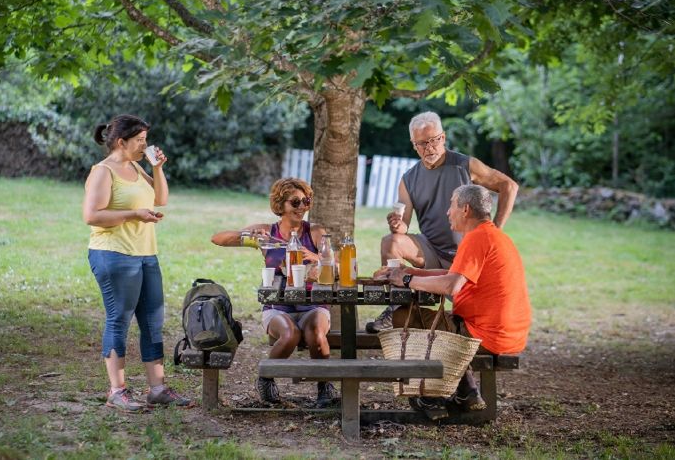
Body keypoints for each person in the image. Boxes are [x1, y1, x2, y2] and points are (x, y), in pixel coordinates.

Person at [375, 184, 531, 416]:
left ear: (465, 209)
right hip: (508, 334)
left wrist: (407, 281)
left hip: (486, 336)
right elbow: (451, 275)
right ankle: (465, 391)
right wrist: (409, 273)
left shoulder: (477, 238)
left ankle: (431, 397)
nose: (448, 212)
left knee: (402, 314)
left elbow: (451, 286)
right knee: (430, 319)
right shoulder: (492, 235)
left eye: (451, 205)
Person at [366, 111, 519, 333]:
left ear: (443, 138)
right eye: (422, 143)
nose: (430, 147)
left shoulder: (465, 165)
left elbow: (509, 186)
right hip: (432, 251)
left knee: (468, 321)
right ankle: (396, 307)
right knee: (391, 242)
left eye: (434, 140)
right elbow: (403, 225)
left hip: (468, 257)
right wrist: (397, 225)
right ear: (414, 145)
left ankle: (458, 351)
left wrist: (494, 230)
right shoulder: (409, 179)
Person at [83, 114, 189, 413]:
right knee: (119, 319)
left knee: (153, 321)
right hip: (114, 254)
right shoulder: (104, 172)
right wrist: (134, 215)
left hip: (145, 253)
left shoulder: (135, 166)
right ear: (121, 142)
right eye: (140, 140)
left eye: (145, 140)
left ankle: (157, 389)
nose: (145, 145)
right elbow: (92, 216)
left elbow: (160, 198)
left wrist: (157, 169)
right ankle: (117, 391)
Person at [211, 178, 337, 408]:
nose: (302, 207)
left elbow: (335, 266)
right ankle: (266, 377)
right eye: (295, 202)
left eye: (306, 201)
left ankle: (325, 386)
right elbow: (217, 239)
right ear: (281, 205)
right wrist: (251, 237)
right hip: (278, 307)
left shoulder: (316, 232)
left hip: (312, 304)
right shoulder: (269, 233)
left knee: (316, 333)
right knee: (290, 335)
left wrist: (316, 257)